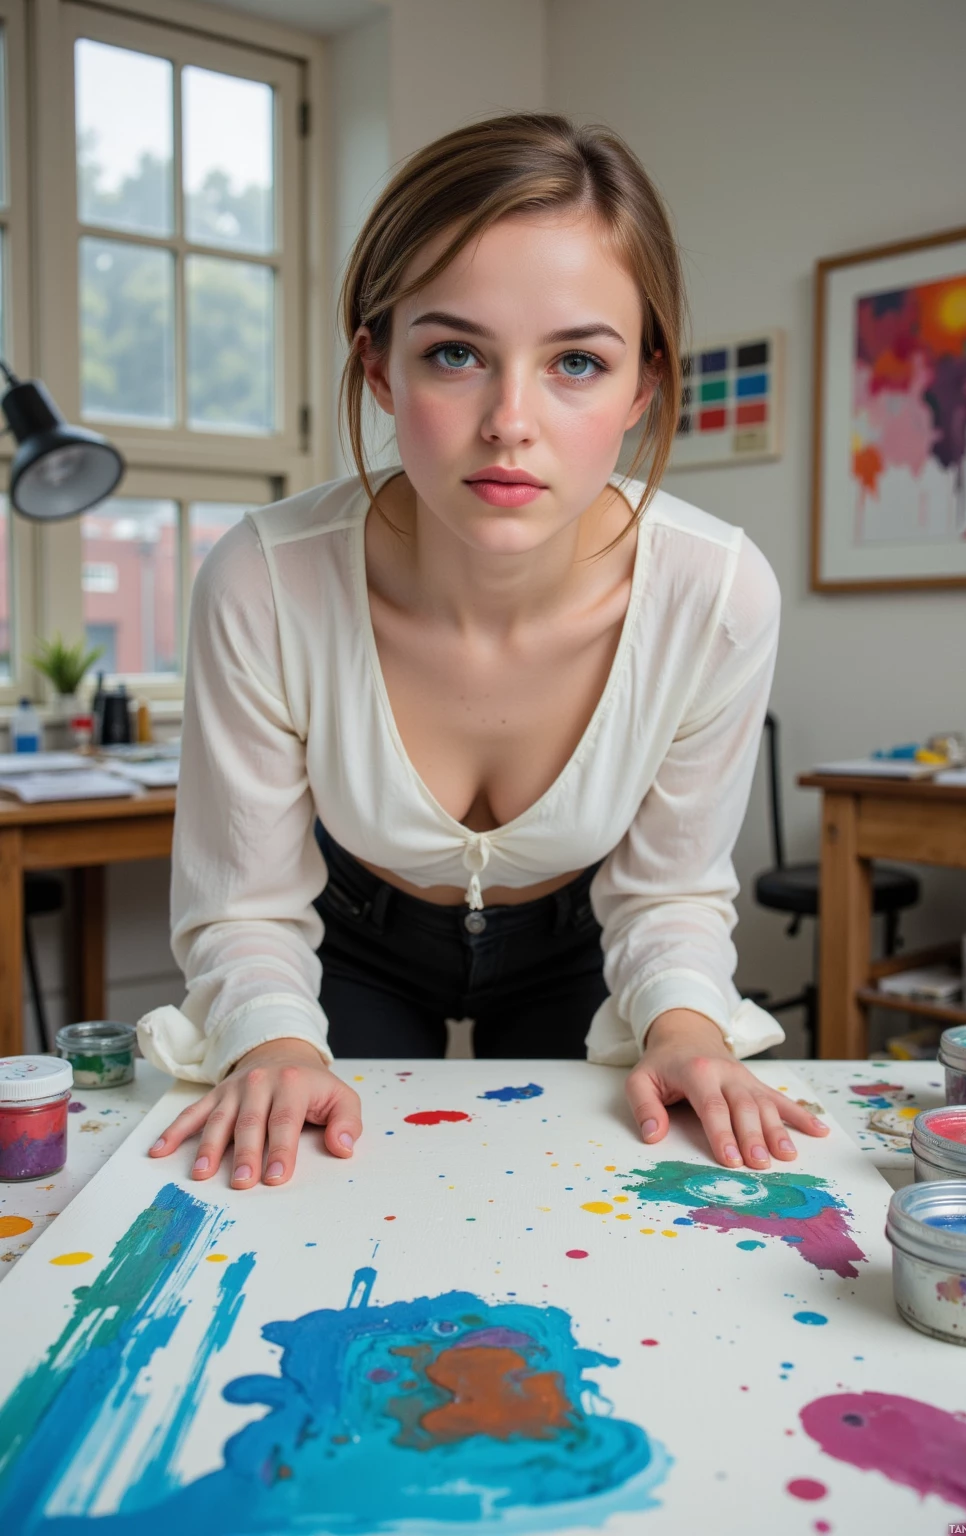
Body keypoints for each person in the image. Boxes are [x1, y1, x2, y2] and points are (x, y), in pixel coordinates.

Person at [140, 111, 828, 1192]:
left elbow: (669, 893)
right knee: (306, 1186)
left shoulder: (717, 594)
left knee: (600, 1208)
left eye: (577, 362)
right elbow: (247, 903)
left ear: (643, 386)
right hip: (341, 942)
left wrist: (688, 1028)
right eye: (454, 353)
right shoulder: (262, 580)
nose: (510, 421)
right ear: (377, 366)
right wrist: (270, 1041)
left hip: (586, 945)